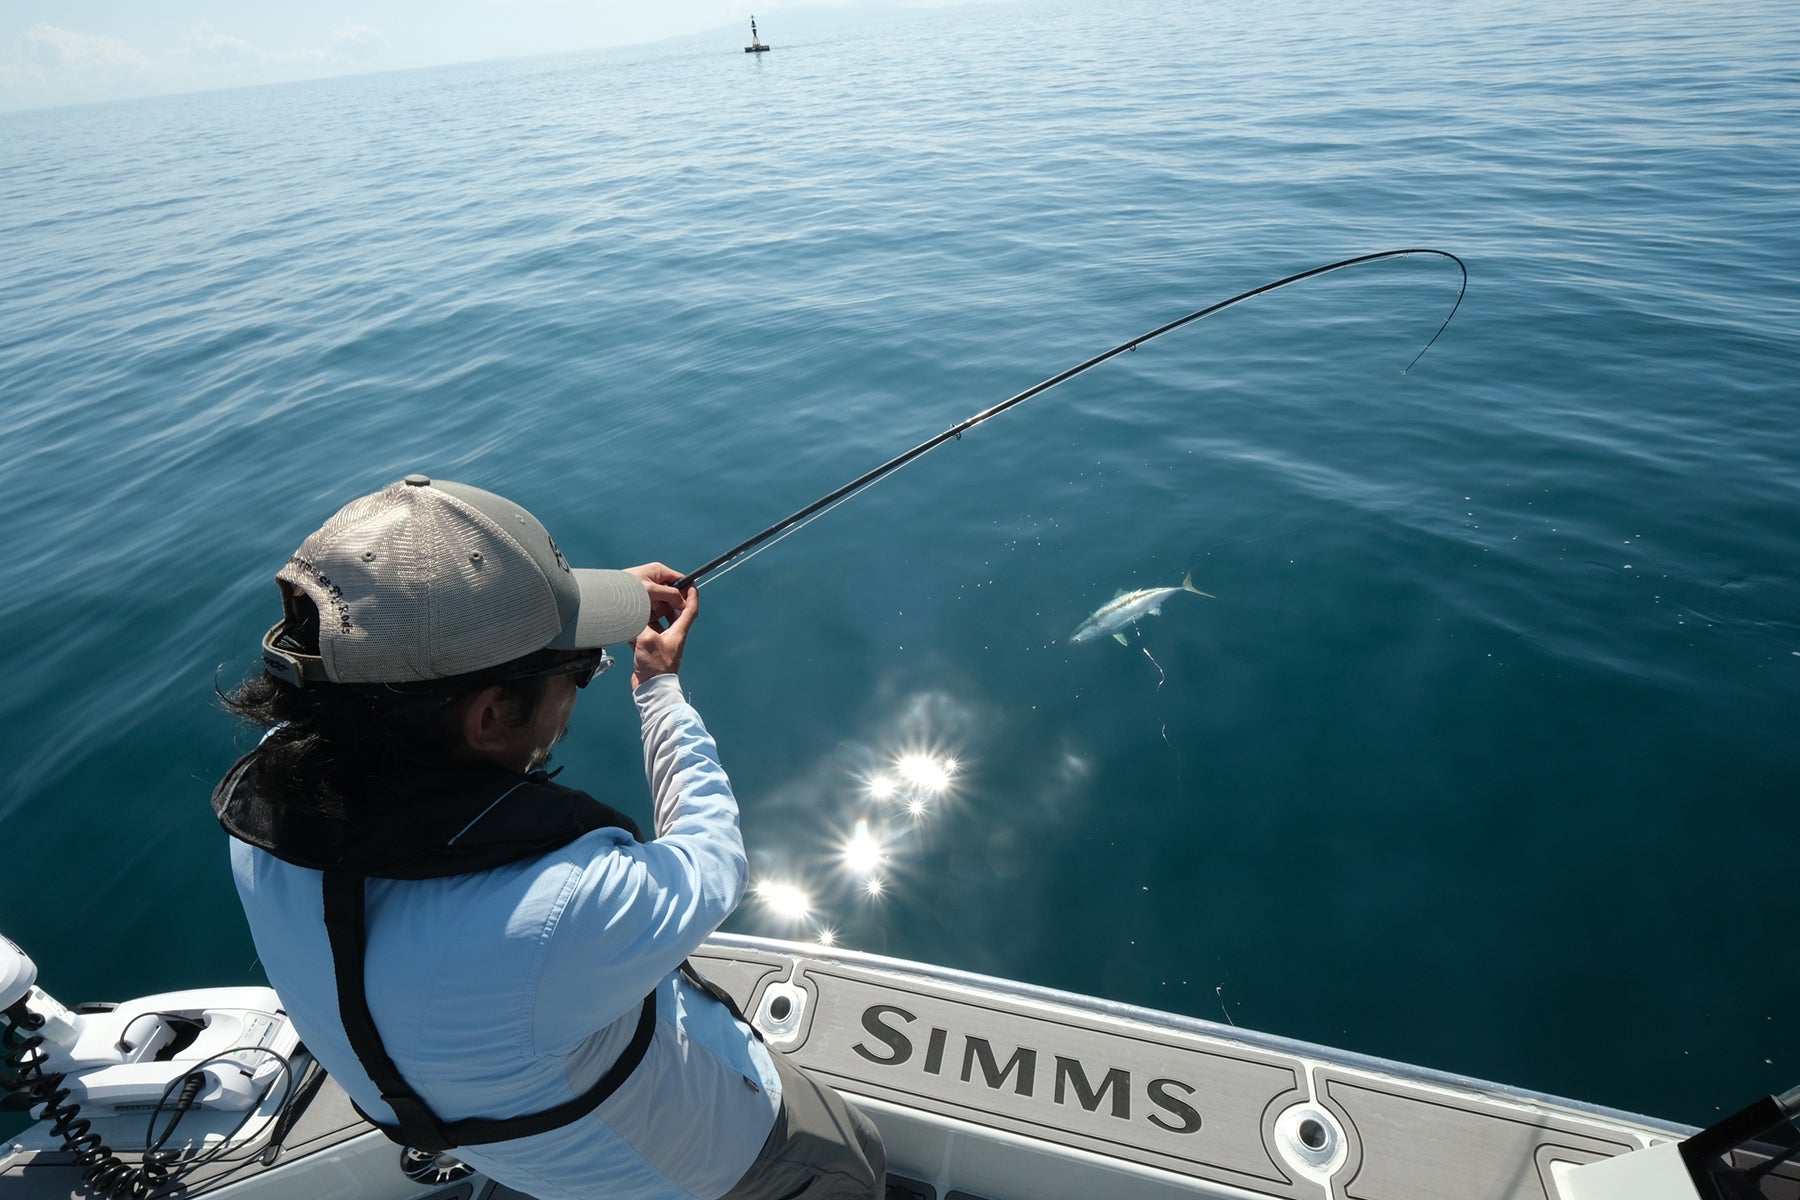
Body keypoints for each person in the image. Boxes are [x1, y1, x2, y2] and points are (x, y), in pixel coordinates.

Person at [214, 473, 885, 1200]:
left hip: (539, 1163)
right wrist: (657, 690)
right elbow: (713, 861)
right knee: (855, 1163)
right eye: (581, 666)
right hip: (714, 1163)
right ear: (490, 717)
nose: (590, 667)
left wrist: (556, 613)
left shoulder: (265, 819)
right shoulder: (565, 908)